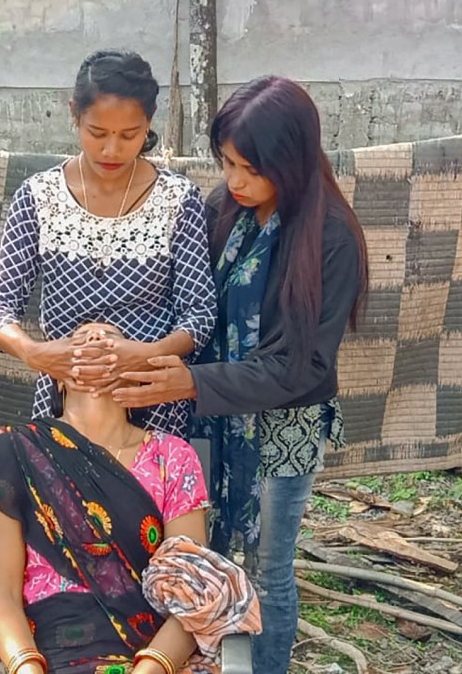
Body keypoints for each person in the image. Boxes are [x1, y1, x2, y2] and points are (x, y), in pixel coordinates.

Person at [112, 76, 369, 673]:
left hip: (282, 430)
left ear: (292, 161)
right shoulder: (223, 210)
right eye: (226, 162)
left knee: (268, 570)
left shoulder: (330, 236)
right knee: (202, 555)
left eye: (250, 168)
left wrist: (193, 383)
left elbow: (299, 366)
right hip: (210, 419)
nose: (234, 181)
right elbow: (188, 302)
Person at [0, 323, 259, 674]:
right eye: (80, 341)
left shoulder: (172, 458)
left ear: (134, 371)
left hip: (145, 653)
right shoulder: (14, 453)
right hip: (37, 649)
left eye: (112, 340)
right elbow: (2, 595)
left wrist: (148, 669)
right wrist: (27, 669)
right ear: (59, 376)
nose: (96, 340)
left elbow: (191, 594)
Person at [0, 49, 216, 436]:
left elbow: (201, 313)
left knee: (147, 495)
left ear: (148, 124)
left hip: (151, 402)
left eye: (129, 135)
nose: (111, 149)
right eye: (97, 132)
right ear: (74, 113)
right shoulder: (39, 196)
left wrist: (148, 353)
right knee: (65, 495)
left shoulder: (178, 199)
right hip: (65, 402)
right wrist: (37, 353)